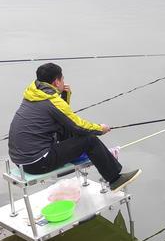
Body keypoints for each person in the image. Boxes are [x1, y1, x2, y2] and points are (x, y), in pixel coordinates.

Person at [8, 63, 140, 192]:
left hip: (21, 161)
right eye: (62, 78)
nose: (64, 81)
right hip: (37, 163)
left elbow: (62, 119)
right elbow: (78, 126)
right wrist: (100, 129)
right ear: (56, 82)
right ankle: (115, 179)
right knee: (90, 139)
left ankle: (87, 155)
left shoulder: (34, 94)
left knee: (67, 128)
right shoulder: (52, 101)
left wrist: (65, 95)